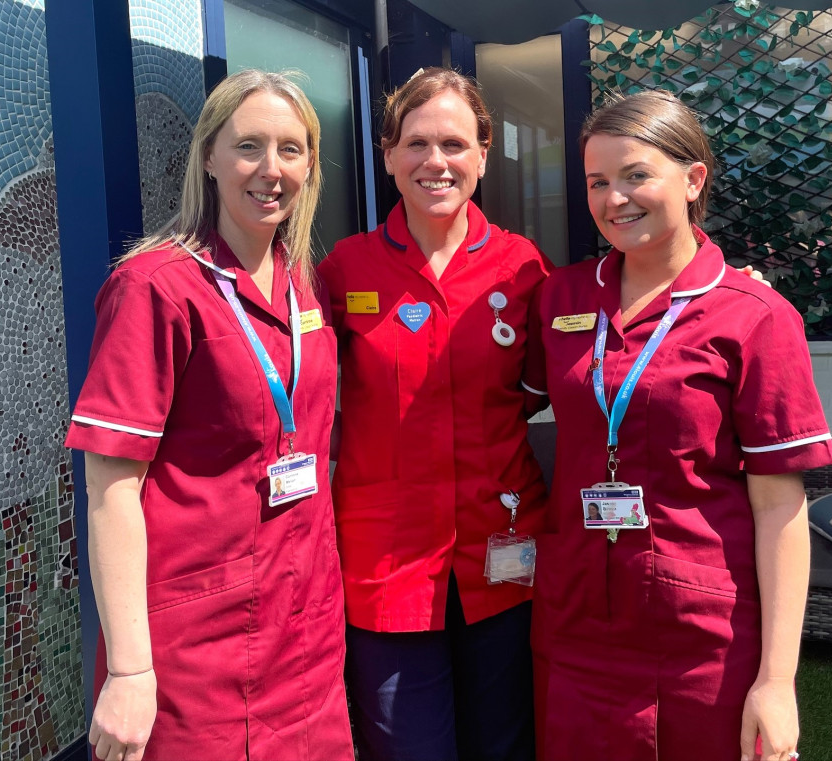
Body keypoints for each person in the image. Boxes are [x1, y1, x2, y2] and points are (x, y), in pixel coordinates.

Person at [529, 90, 832, 761]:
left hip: (702, 639)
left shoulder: (754, 315)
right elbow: (493, 399)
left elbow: (780, 504)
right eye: (598, 182)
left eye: (637, 175)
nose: (616, 199)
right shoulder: (562, 298)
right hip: (576, 627)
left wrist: (777, 680)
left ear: (694, 178)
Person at [65, 69, 353, 761]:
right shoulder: (155, 287)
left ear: (312, 163)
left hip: (306, 637)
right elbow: (110, 486)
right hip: (200, 656)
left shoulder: (302, 288)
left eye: (291, 149)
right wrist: (131, 669)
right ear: (209, 157)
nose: (271, 169)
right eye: (249, 145)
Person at [317, 68, 552, 761]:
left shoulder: (523, 268)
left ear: (483, 153)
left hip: (502, 557)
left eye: (454, 142)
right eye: (415, 143)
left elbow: (545, 383)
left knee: (505, 744)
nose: (435, 161)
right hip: (385, 564)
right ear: (387, 155)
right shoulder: (344, 270)